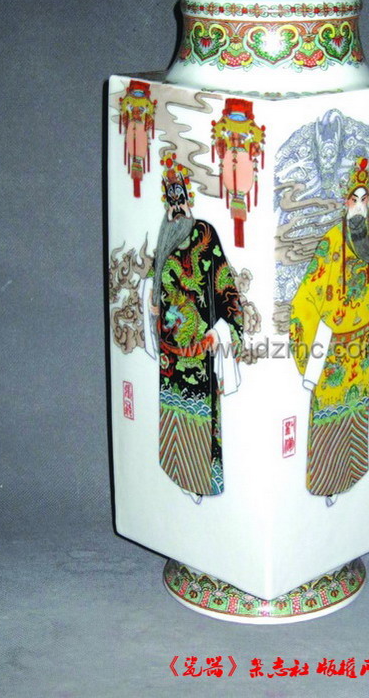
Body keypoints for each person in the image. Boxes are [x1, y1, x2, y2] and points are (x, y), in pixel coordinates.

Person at [289, 157, 369, 503]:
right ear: (345, 203)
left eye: (364, 200)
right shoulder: (331, 243)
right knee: (328, 412)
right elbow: (306, 296)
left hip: (358, 347)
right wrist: (314, 339)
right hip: (332, 347)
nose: (359, 206)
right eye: (353, 200)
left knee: (355, 408)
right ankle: (325, 483)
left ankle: (352, 475)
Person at [143, 168, 244, 500]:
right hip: (171, 353)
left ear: (189, 199)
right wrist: (152, 306)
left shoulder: (204, 234)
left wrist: (225, 330)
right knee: (173, 416)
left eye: (181, 199)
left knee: (201, 417)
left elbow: (225, 284)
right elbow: (156, 287)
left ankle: (201, 481)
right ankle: (175, 475)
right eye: (171, 201)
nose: (177, 207)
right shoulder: (165, 238)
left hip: (200, 350)